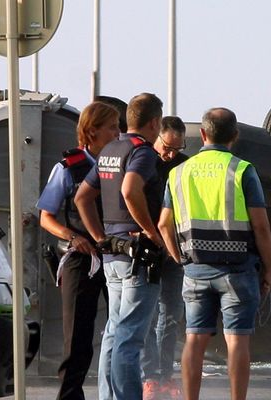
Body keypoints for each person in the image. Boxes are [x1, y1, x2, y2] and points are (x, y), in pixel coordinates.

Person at [158, 107, 271, 400]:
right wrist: (269, 269)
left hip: (195, 269)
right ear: (235, 136)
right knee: (237, 341)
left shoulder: (178, 172)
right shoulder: (243, 170)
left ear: (204, 134)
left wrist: (178, 257)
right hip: (237, 269)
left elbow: (163, 223)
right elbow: (260, 226)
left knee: (194, 340)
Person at [74, 93, 165, 400]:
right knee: (130, 336)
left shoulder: (110, 149)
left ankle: (107, 396)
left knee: (114, 332)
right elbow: (130, 190)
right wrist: (152, 232)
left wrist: (100, 237)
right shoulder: (143, 152)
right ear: (155, 122)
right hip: (137, 256)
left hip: (113, 253)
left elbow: (82, 197)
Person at [37, 101, 121, 400]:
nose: (117, 133)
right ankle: (69, 395)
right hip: (81, 258)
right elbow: (46, 216)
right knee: (78, 337)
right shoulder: (67, 168)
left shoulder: (120, 163)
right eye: (112, 127)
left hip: (117, 256)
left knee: (121, 330)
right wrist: (72, 237)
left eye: (118, 126)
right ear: (92, 131)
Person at [141, 116, 188, 400]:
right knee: (147, 314)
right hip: (147, 246)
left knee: (172, 314)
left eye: (176, 149)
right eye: (166, 147)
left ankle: (166, 374)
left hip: (174, 249)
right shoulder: (144, 160)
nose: (169, 154)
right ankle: (150, 376)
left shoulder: (184, 165)